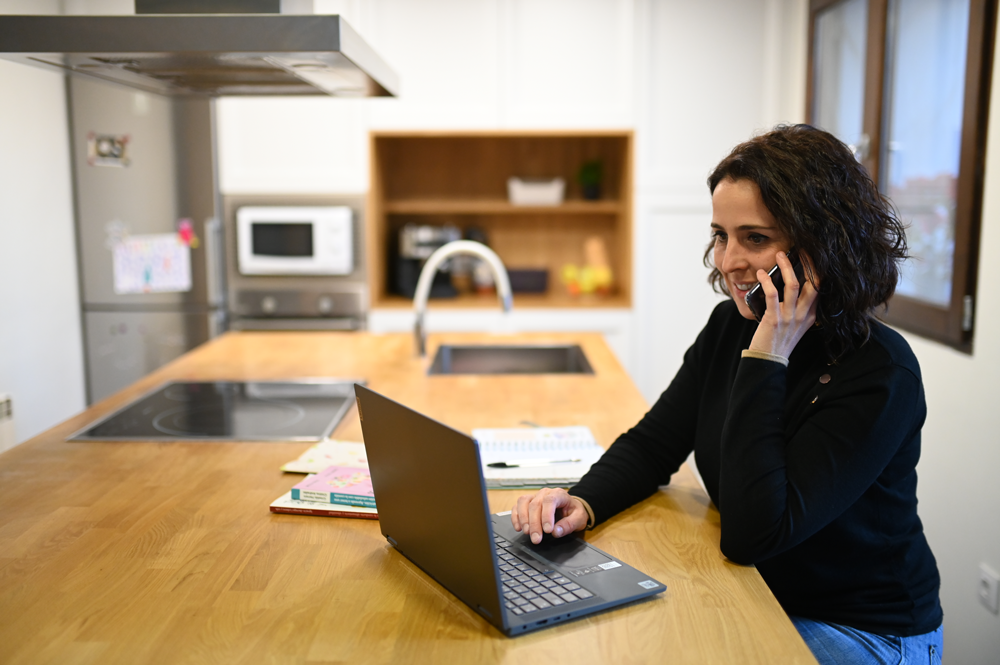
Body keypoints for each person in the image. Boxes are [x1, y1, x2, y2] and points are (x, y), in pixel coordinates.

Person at [511, 125, 943, 665]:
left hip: (859, 628)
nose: (727, 260)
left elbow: (754, 533)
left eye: (755, 239)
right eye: (721, 234)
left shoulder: (880, 371)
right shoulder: (730, 326)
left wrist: (769, 355)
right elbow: (654, 444)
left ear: (820, 247)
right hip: (759, 591)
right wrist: (583, 501)